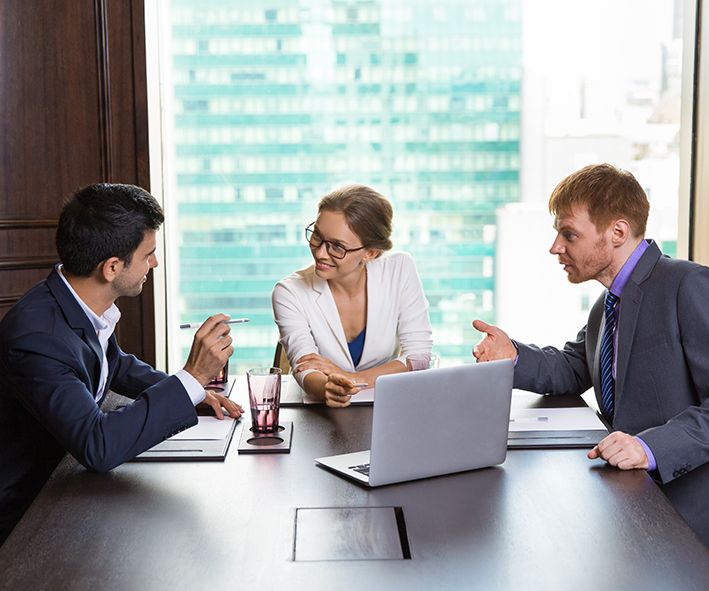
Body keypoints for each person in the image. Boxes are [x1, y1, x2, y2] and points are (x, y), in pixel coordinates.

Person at [472, 163, 709, 562]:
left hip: (698, 519)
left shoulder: (689, 284)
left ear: (617, 232)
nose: (556, 247)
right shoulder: (608, 304)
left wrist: (648, 447)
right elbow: (574, 367)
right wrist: (513, 355)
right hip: (633, 504)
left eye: (569, 234)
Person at [0, 183, 243, 545]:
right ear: (112, 267)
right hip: (24, 517)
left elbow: (113, 364)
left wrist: (192, 391)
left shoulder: (74, 300)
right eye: (148, 254)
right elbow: (98, 447)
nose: (155, 263)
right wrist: (191, 377)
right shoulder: (38, 339)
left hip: (64, 486)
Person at [272, 184, 432, 407]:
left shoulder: (399, 269)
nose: (320, 253)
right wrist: (327, 387)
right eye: (317, 236)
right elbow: (304, 365)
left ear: (370, 252)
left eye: (337, 247)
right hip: (321, 415)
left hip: (390, 407)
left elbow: (419, 357)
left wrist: (354, 380)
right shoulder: (289, 291)